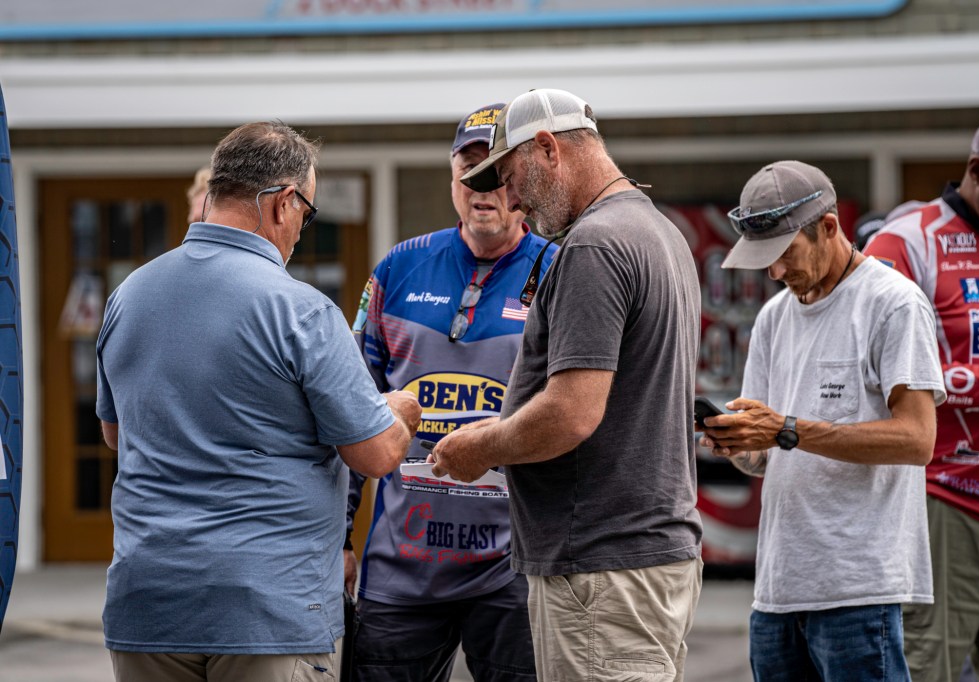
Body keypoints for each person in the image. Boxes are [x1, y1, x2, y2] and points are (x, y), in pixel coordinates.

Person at [96, 121, 421, 682]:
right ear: (283, 202)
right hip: (267, 612)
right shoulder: (301, 311)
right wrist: (399, 412)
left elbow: (116, 434)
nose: (299, 231)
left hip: (146, 601)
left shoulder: (128, 296)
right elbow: (375, 454)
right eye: (306, 214)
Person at [431, 88, 704, 680]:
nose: (511, 200)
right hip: (645, 557)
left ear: (548, 148)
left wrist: (483, 447)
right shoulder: (659, 232)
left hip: (599, 567)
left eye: (510, 176)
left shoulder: (594, 245)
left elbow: (572, 414)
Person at [703, 160, 946, 681]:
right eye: (764, 260)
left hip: (859, 589)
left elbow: (917, 438)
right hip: (777, 587)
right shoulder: (773, 318)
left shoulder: (893, 304)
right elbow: (765, 454)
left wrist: (787, 430)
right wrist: (737, 443)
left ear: (829, 227)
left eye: (784, 254)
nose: (774, 273)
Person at [345, 103, 554, 681]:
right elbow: (351, 410)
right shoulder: (398, 269)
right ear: (452, 175)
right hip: (402, 570)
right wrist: (338, 539)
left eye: (497, 172)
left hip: (513, 569)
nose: (482, 188)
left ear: (522, 180)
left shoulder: (559, 271)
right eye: (469, 170)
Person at [864, 108, 979, 682]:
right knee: (923, 669)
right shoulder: (906, 241)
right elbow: (869, 370)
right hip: (946, 500)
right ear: (977, 170)